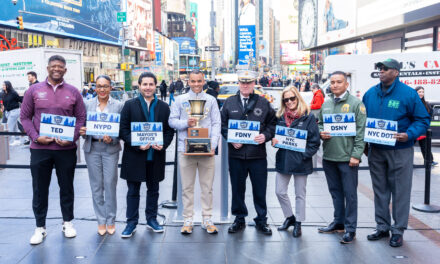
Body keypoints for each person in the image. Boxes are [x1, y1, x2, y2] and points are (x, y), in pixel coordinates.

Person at [363, 59, 430, 247]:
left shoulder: (408, 94)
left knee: (400, 191)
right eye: (379, 69)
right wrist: (365, 146)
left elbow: (423, 120)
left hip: (400, 150)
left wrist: (409, 134)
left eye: (385, 69)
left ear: (396, 72)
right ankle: (382, 226)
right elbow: (363, 121)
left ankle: (398, 230)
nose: (381, 71)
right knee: (380, 191)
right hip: (376, 150)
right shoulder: (370, 94)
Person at [20, 55, 87, 245]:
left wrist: (71, 138)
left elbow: (81, 118)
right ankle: (40, 227)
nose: (57, 69)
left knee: (67, 187)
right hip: (40, 148)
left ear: (65, 70)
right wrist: (35, 136)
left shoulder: (74, 92)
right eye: (53, 66)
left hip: (66, 149)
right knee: (39, 189)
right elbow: (25, 117)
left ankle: (68, 223)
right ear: (47, 68)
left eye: (60, 67)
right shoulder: (34, 90)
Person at [221, 70, 277, 235]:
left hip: (257, 156)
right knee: (237, 189)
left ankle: (261, 219)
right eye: (243, 82)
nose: (245, 85)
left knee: (260, 189)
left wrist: (265, 135)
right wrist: (231, 138)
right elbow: (223, 125)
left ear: (254, 84)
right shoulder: (229, 102)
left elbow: (273, 123)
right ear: (238, 83)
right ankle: (239, 219)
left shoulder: (263, 102)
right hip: (236, 156)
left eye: (249, 82)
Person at [119, 72, 174, 237]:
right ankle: (131, 223)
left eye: (151, 84)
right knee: (133, 191)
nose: (148, 87)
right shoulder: (129, 105)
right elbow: (123, 129)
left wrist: (163, 144)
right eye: (145, 84)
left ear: (155, 85)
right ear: (139, 86)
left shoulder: (164, 107)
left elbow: (169, 130)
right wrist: (137, 144)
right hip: (135, 156)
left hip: (155, 155)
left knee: (154, 190)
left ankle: (152, 219)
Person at [169, 70, 221, 235]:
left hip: (207, 149)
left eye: (199, 81)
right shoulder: (180, 100)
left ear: (204, 81)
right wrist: (186, 123)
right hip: (186, 149)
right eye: (193, 81)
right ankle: (188, 219)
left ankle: (207, 218)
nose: (196, 84)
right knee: (187, 187)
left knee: (207, 187)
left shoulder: (211, 100)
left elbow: (216, 123)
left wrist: (212, 145)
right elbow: (171, 121)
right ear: (188, 82)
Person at [318, 71, 366, 244]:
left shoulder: (356, 104)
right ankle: (338, 222)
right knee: (336, 193)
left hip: (348, 159)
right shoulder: (327, 103)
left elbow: (361, 132)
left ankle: (350, 228)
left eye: (339, 82)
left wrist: (356, 155)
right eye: (332, 82)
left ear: (347, 85)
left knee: (350, 194)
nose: (335, 85)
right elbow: (320, 123)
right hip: (329, 156)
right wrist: (320, 132)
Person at [272, 87, 320, 237]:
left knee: (300, 194)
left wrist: (304, 155)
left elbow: (315, 142)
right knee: (280, 191)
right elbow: (277, 137)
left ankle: (298, 222)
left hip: (301, 162)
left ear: (297, 98)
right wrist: (274, 141)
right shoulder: (280, 116)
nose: (290, 102)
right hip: (284, 159)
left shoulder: (308, 116)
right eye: (286, 99)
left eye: (292, 98)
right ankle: (289, 217)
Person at [79, 75, 124, 236]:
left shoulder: (119, 105)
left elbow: (122, 128)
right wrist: (82, 131)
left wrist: (114, 137)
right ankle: (101, 220)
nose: (102, 89)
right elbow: (82, 125)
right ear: (95, 88)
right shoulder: (87, 104)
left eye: (105, 86)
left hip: (110, 149)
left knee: (110, 185)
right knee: (96, 186)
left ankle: (111, 220)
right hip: (92, 148)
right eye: (99, 86)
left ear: (110, 87)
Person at [415, 86, 437, 166]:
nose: (421, 93)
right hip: (413, 129)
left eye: (422, 92)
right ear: (415, 93)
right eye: (419, 92)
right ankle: (407, 162)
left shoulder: (426, 104)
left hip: (423, 129)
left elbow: (430, 115)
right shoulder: (412, 103)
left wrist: (426, 124)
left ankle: (429, 161)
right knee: (408, 147)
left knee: (425, 146)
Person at [1, 81, 22, 145]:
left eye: (4, 85)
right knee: (15, 126)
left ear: (8, 86)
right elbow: (2, 101)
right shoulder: (3, 93)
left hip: (14, 111)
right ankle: (17, 140)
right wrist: (2, 108)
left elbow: (20, 100)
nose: (3, 86)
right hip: (8, 112)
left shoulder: (13, 93)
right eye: (3, 85)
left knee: (9, 126)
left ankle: (6, 142)